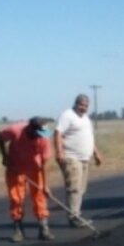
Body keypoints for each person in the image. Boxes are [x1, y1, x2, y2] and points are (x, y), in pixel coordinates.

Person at [0, 117, 54, 242]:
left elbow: (44, 163)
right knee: (16, 198)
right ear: (30, 129)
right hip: (15, 168)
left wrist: (45, 185)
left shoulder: (45, 137)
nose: (40, 136)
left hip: (35, 168)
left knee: (39, 196)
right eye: (37, 133)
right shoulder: (15, 130)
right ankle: (18, 230)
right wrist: (5, 156)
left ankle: (44, 228)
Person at [54, 94, 103, 227]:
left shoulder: (86, 118)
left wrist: (96, 153)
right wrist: (59, 152)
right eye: (81, 105)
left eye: (86, 106)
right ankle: (74, 217)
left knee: (81, 189)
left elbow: (89, 137)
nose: (83, 108)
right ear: (75, 103)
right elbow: (58, 133)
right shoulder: (67, 115)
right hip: (71, 157)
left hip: (84, 159)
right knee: (74, 188)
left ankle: (76, 215)